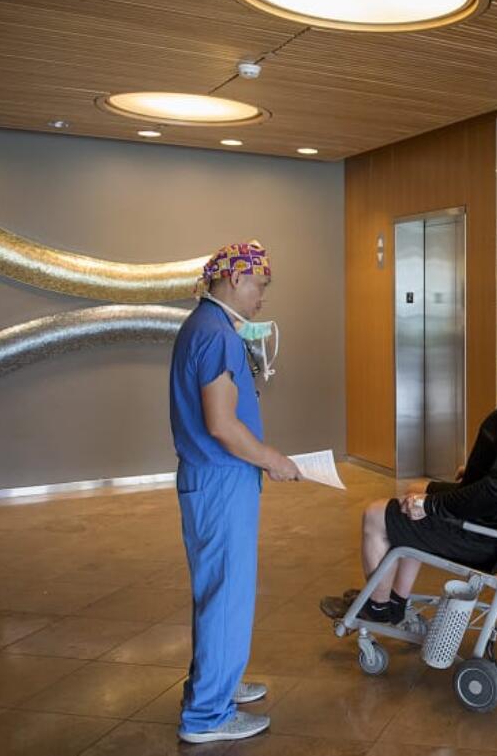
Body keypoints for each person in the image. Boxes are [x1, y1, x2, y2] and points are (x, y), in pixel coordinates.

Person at [320, 314, 497, 623]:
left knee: (376, 514)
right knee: (415, 490)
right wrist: (474, 470)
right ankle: (395, 601)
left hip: (489, 534)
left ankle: (376, 609)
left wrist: (432, 505)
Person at [169, 240, 300, 744]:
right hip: (222, 479)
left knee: (215, 591)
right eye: (260, 286)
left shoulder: (201, 325)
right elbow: (222, 424)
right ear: (235, 280)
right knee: (227, 596)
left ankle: (213, 685)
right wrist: (274, 461)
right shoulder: (219, 336)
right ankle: (207, 716)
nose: (263, 298)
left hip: (209, 478)